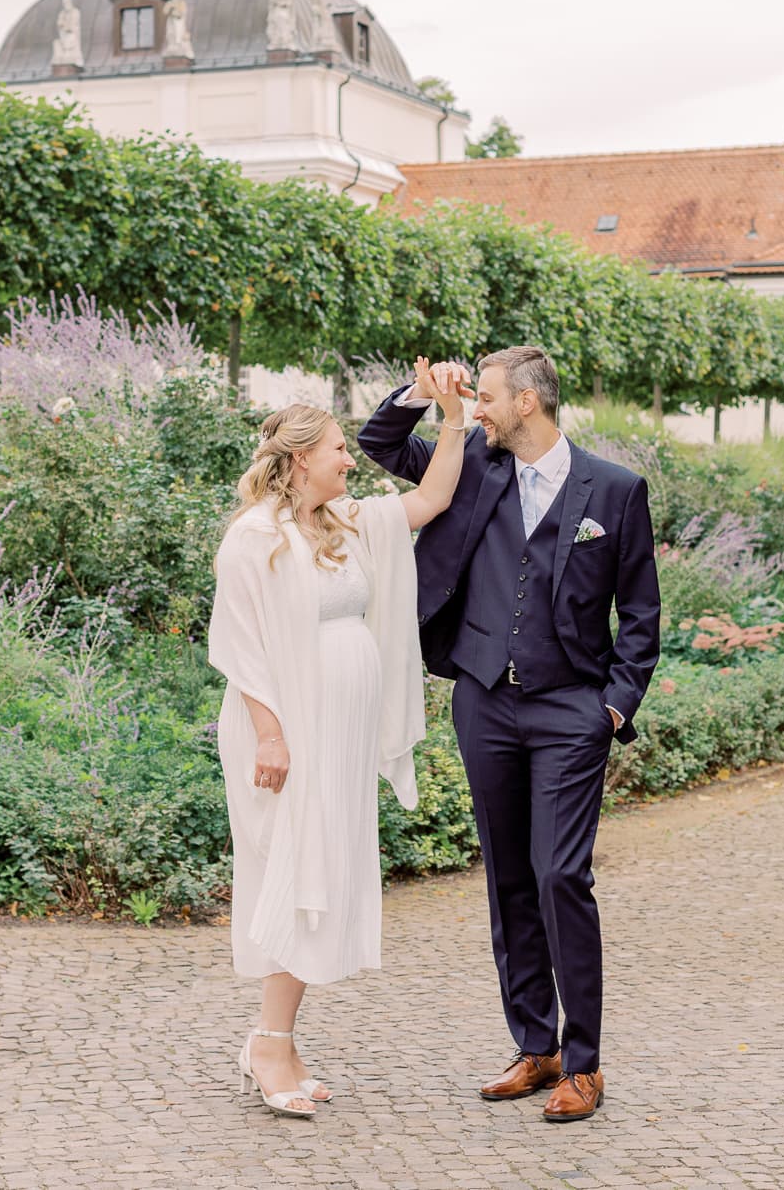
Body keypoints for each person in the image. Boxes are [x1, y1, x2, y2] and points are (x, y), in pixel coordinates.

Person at [358, 346, 661, 1122]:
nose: (480, 408)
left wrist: (614, 706)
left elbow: (642, 616)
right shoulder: (473, 467)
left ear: (527, 402)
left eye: (487, 397)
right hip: (486, 701)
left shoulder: (616, 490)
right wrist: (428, 396)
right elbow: (381, 444)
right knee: (508, 881)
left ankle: (585, 1062)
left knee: (562, 875)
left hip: (572, 710)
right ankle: (537, 1047)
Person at [208, 361, 470, 1118]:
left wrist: (449, 417)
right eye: (335, 449)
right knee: (296, 873)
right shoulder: (253, 537)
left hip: (340, 733)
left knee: (318, 877)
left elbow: (432, 498)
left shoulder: (345, 522)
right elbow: (240, 644)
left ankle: (281, 1041)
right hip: (289, 732)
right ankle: (265, 1042)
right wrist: (269, 735)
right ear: (298, 460)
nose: (348, 458)